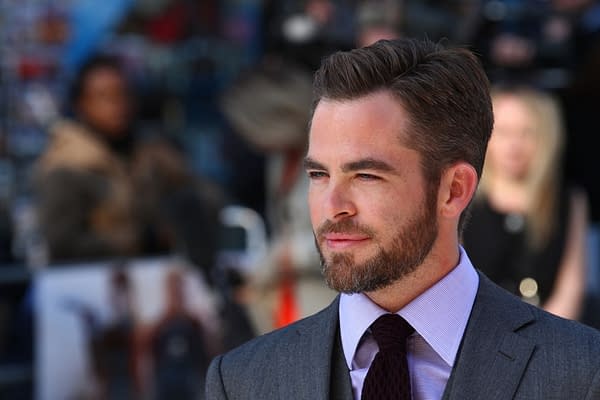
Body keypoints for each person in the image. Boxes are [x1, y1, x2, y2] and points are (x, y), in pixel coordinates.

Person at [205, 38, 600, 399]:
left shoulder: (581, 372)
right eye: (319, 175)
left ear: (454, 191)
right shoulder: (242, 382)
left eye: (366, 176)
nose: (332, 205)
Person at [462, 87, 587, 320]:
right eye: (504, 132)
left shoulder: (569, 200)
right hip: (479, 331)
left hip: (552, 335)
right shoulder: (463, 197)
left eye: (526, 133)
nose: (514, 146)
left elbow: (571, 288)